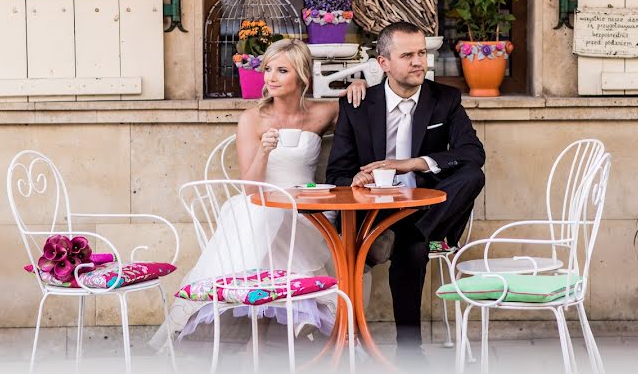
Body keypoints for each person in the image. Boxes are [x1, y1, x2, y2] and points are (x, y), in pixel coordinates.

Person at [150, 38, 366, 349]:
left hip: (306, 210)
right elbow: (251, 189)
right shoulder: (253, 118)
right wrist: (264, 152)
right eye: (267, 69)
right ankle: (261, 333)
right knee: (263, 216)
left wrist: (358, 84)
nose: (271, 78)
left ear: (303, 76)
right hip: (262, 203)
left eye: (282, 70)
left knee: (283, 220)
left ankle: (282, 337)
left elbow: (359, 110)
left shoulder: (323, 112)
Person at [326, 22, 486, 355]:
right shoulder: (357, 105)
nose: (419, 62)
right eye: (408, 55)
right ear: (383, 63)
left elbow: (473, 153)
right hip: (374, 211)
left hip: (427, 210)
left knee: (471, 175)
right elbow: (337, 172)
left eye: (422, 54)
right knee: (412, 248)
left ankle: (409, 349)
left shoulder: (445, 99)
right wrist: (355, 180)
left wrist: (411, 163)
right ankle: (405, 349)